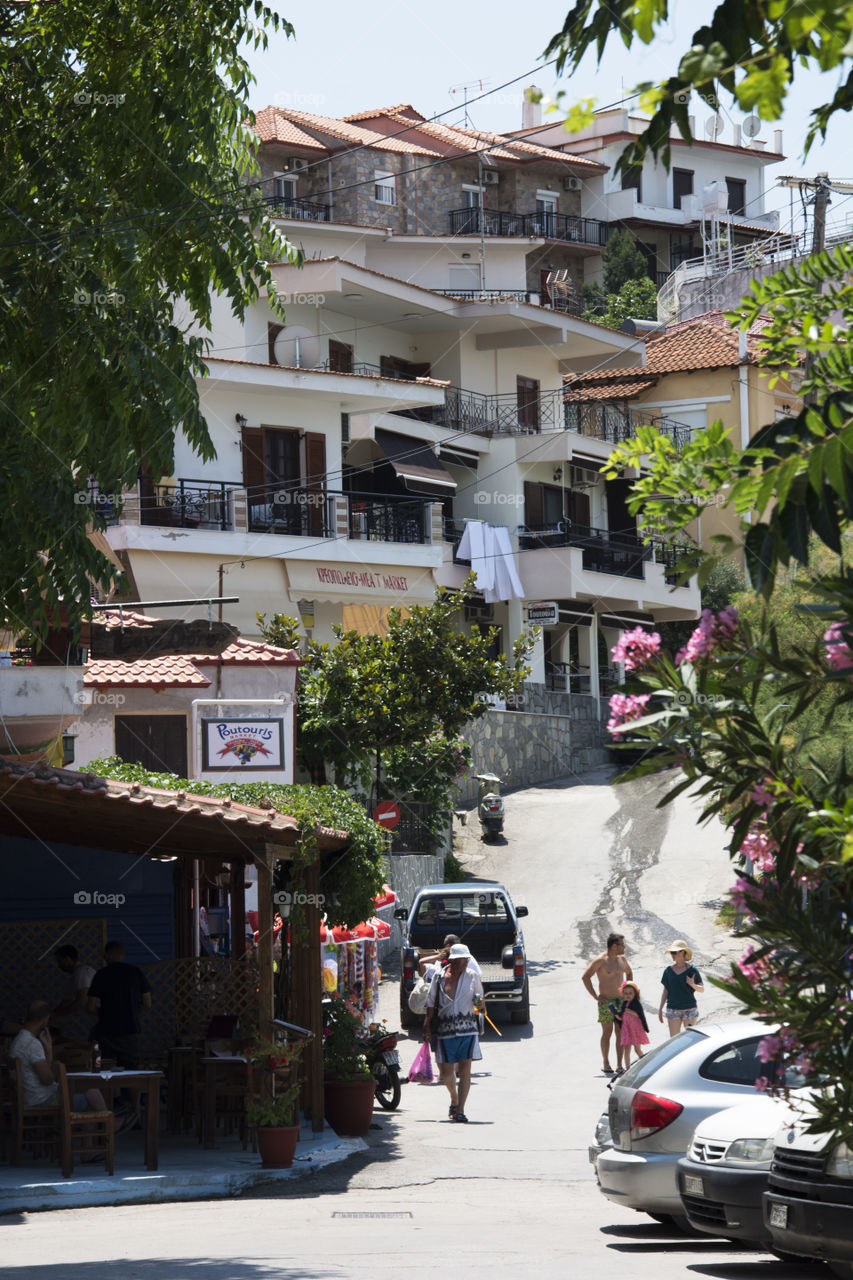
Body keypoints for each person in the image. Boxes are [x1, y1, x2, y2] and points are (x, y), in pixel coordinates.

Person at [9, 999, 111, 1118]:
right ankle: (108, 1125)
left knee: (87, 1090)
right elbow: (48, 1079)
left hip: (29, 1097)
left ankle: (98, 1130)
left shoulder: (17, 1040)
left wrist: (48, 1049)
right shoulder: (32, 1044)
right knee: (90, 1091)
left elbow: (45, 1075)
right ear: (45, 1019)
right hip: (41, 1100)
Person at [423, 942, 484, 1124]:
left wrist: (480, 1005)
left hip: (467, 1030)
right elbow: (430, 1002)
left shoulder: (472, 977)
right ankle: (454, 1099)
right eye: (462, 961)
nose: (465, 964)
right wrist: (426, 1025)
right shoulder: (440, 977)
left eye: (467, 960)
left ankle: (460, 1110)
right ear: (452, 961)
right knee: (446, 1073)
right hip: (445, 1030)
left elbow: (480, 1001)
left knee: (465, 1071)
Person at [87, 941, 151, 1068]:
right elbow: (147, 1003)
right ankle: (130, 1087)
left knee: (105, 1071)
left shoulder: (101, 974)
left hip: (106, 1031)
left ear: (107, 955)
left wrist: (103, 1014)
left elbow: (90, 1006)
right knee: (131, 1072)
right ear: (122, 955)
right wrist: (133, 1011)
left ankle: (108, 1087)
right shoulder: (135, 972)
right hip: (130, 1030)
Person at [581, 932, 633, 1074]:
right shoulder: (600, 961)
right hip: (606, 1002)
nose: (625, 947)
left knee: (620, 1032)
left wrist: (628, 992)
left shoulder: (622, 959)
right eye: (622, 944)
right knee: (607, 1032)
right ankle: (606, 1062)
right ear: (614, 946)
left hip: (621, 1001)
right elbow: (585, 977)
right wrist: (595, 996)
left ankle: (619, 1064)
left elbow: (629, 973)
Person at [658, 940, 704, 1036]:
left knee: (691, 1039)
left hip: (690, 1008)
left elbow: (702, 989)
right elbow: (666, 990)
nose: (672, 955)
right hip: (673, 1009)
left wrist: (692, 984)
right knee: (674, 1040)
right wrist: (660, 1008)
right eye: (671, 952)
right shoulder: (668, 971)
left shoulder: (692, 970)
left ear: (682, 952)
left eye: (674, 952)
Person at [52, 944, 96, 1024]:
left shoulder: (81, 973)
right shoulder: (76, 976)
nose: (58, 965)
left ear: (67, 959)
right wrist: (51, 1015)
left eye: (60, 961)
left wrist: (55, 1014)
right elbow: (67, 1000)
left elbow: (81, 1001)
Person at [610, 981, 650, 1067]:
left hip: (635, 1029)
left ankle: (646, 1065)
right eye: (626, 993)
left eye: (630, 993)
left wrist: (630, 1011)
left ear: (635, 993)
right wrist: (615, 1014)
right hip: (627, 1029)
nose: (628, 995)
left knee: (637, 1049)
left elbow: (639, 1015)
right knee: (626, 1049)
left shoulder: (637, 1004)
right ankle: (627, 1068)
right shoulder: (624, 1004)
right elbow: (621, 1018)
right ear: (623, 994)